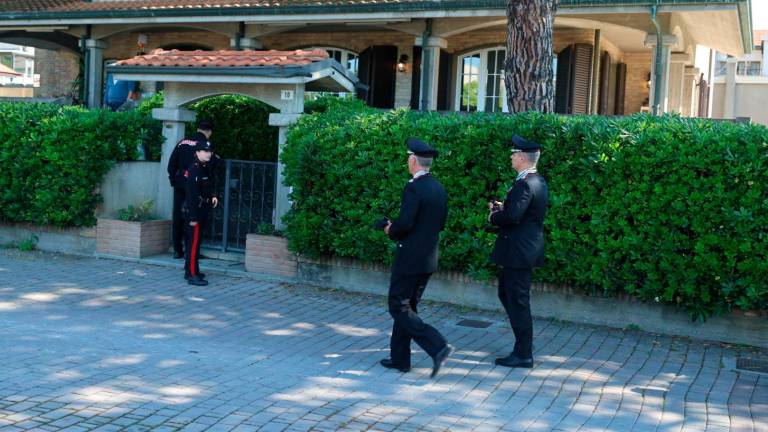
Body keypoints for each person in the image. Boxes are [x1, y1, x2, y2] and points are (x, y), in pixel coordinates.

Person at [377, 137, 453, 378]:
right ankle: (400, 359)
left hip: (409, 256)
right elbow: (439, 223)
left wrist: (390, 228)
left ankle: (437, 345)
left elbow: (406, 223)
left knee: (398, 306)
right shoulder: (438, 187)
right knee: (409, 307)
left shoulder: (414, 187)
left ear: (413, 160)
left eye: (408, 158)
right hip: (428, 257)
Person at [488, 135, 548, 369]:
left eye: (514, 154)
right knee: (508, 294)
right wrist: (504, 208)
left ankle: (523, 353)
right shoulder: (537, 181)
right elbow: (522, 212)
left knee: (517, 300)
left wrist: (494, 215)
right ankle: (524, 345)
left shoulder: (525, 183)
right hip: (523, 251)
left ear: (522, 157)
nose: (512, 157)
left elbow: (512, 217)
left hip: (519, 253)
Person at [167, 120, 214, 259]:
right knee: (194, 216)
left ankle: (177, 250)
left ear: (198, 128)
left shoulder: (183, 142)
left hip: (180, 182)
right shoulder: (204, 145)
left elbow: (171, 164)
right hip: (196, 185)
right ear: (209, 132)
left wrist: (173, 180)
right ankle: (192, 251)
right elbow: (209, 166)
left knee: (178, 216)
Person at [183, 139, 219, 286]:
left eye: (209, 151)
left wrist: (212, 196)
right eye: (205, 151)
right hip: (195, 212)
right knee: (193, 244)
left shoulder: (204, 167)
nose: (208, 153)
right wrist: (193, 217)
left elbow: (207, 187)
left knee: (196, 244)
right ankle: (192, 275)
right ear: (197, 152)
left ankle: (191, 270)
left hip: (202, 208)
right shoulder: (194, 169)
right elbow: (191, 195)